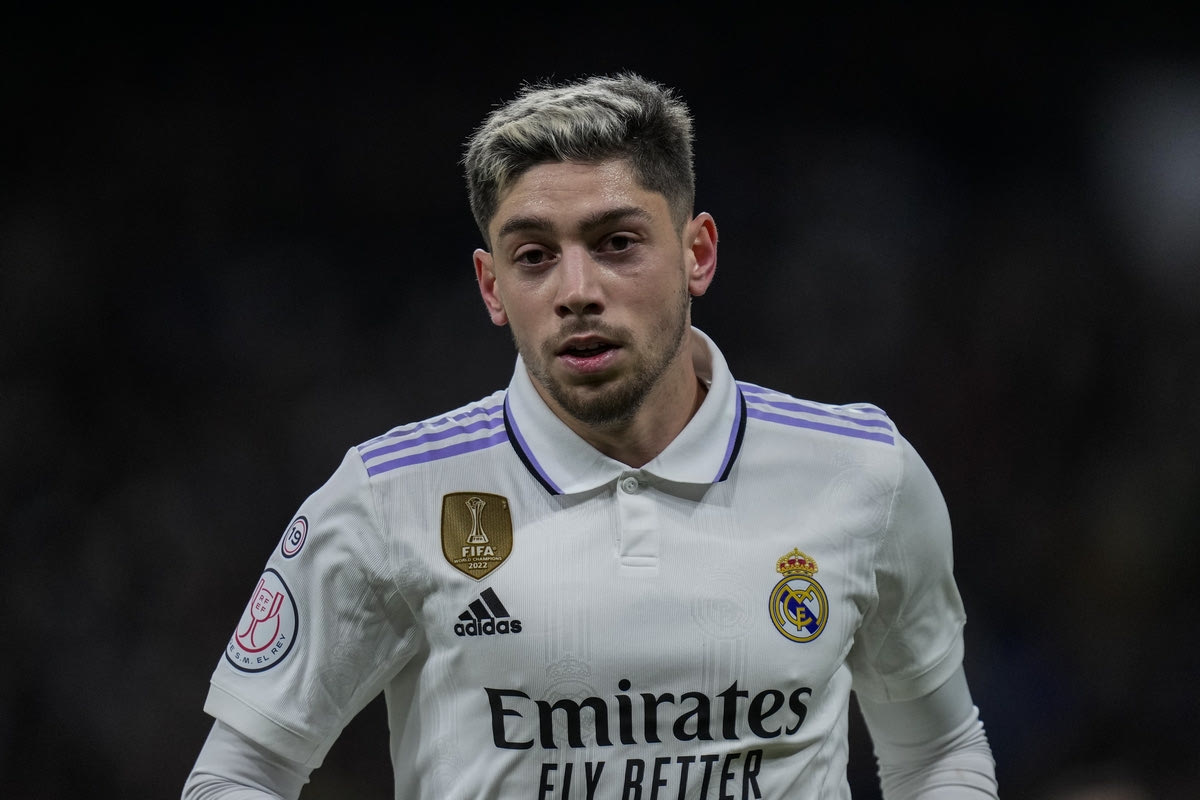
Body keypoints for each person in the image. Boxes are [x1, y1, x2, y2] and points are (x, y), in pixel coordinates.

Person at [182, 71, 999, 799]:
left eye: (616, 244)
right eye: (534, 256)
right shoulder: (388, 495)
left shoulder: (861, 473)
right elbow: (239, 772)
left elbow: (937, 752)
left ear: (697, 253)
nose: (577, 290)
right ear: (492, 286)